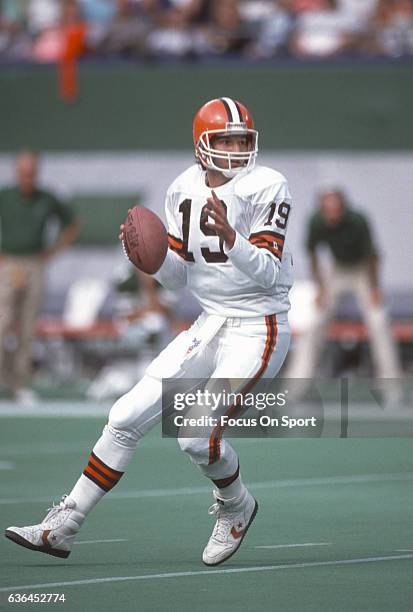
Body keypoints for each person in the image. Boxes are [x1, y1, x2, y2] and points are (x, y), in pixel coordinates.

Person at [5, 98, 294, 566]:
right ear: (203, 146)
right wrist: (152, 259)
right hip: (209, 322)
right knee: (123, 417)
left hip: (259, 326)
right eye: (226, 140)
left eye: (243, 139)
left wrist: (231, 239)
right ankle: (63, 525)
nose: (238, 149)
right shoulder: (182, 188)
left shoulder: (268, 185)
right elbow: (180, 279)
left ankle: (237, 506)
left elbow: (265, 272)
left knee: (196, 435)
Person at [286, 188, 401, 381]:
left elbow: (373, 257)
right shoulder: (316, 222)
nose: (332, 215)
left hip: (361, 271)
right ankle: (294, 388)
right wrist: (320, 288)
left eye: (336, 210)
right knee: (315, 322)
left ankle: (392, 388)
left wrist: (374, 288)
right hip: (337, 270)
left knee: (378, 321)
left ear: (343, 207)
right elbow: (313, 255)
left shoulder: (358, 221)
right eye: (328, 210)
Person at [0, 151, 80, 401]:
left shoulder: (46, 198)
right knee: (3, 321)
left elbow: (73, 223)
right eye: (23, 173)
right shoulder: (6, 197)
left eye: (31, 173)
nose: (27, 178)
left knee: (27, 325)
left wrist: (53, 251)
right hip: (9, 261)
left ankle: (19, 383)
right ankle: (3, 378)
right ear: (16, 173)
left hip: (35, 262)